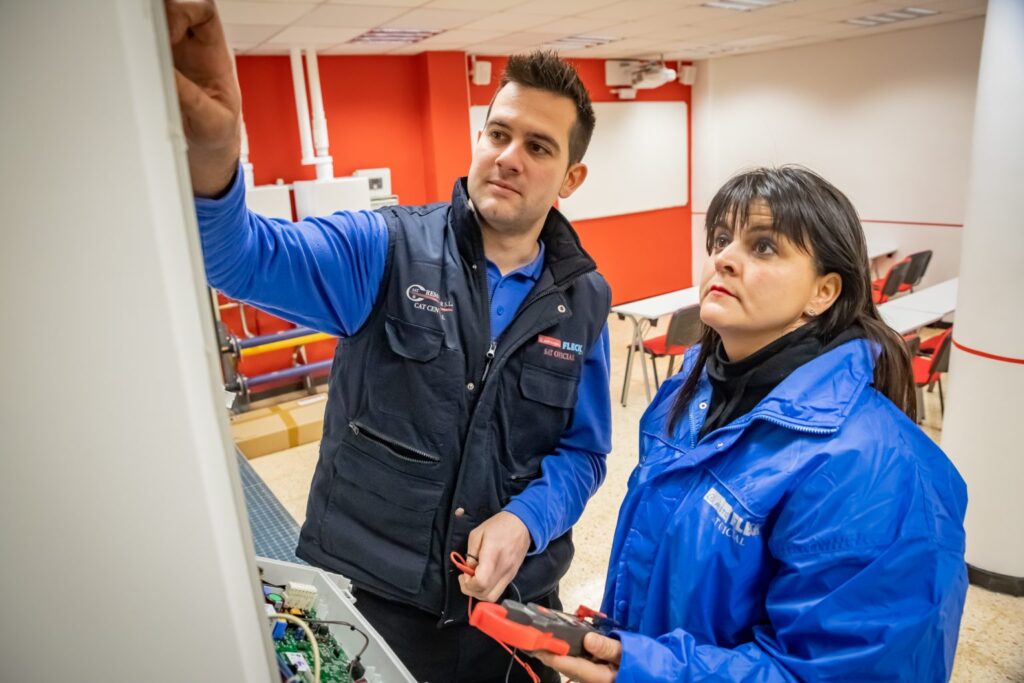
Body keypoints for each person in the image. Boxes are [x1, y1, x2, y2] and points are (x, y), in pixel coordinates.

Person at [166, 2, 611, 681]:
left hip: (505, 611)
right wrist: (215, 159)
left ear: (570, 179)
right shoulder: (385, 249)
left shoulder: (583, 298)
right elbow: (238, 257)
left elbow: (581, 452)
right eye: (498, 132)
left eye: (539, 146)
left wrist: (525, 521)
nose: (508, 157)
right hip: (367, 605)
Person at [534, 167, 968, 682]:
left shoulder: (879, 471)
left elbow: (833, 673)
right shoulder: (688, 395)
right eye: (720, 240)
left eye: (763, 247)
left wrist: (647, 669)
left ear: (823, 291)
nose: (724, 258)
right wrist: (622, 649)